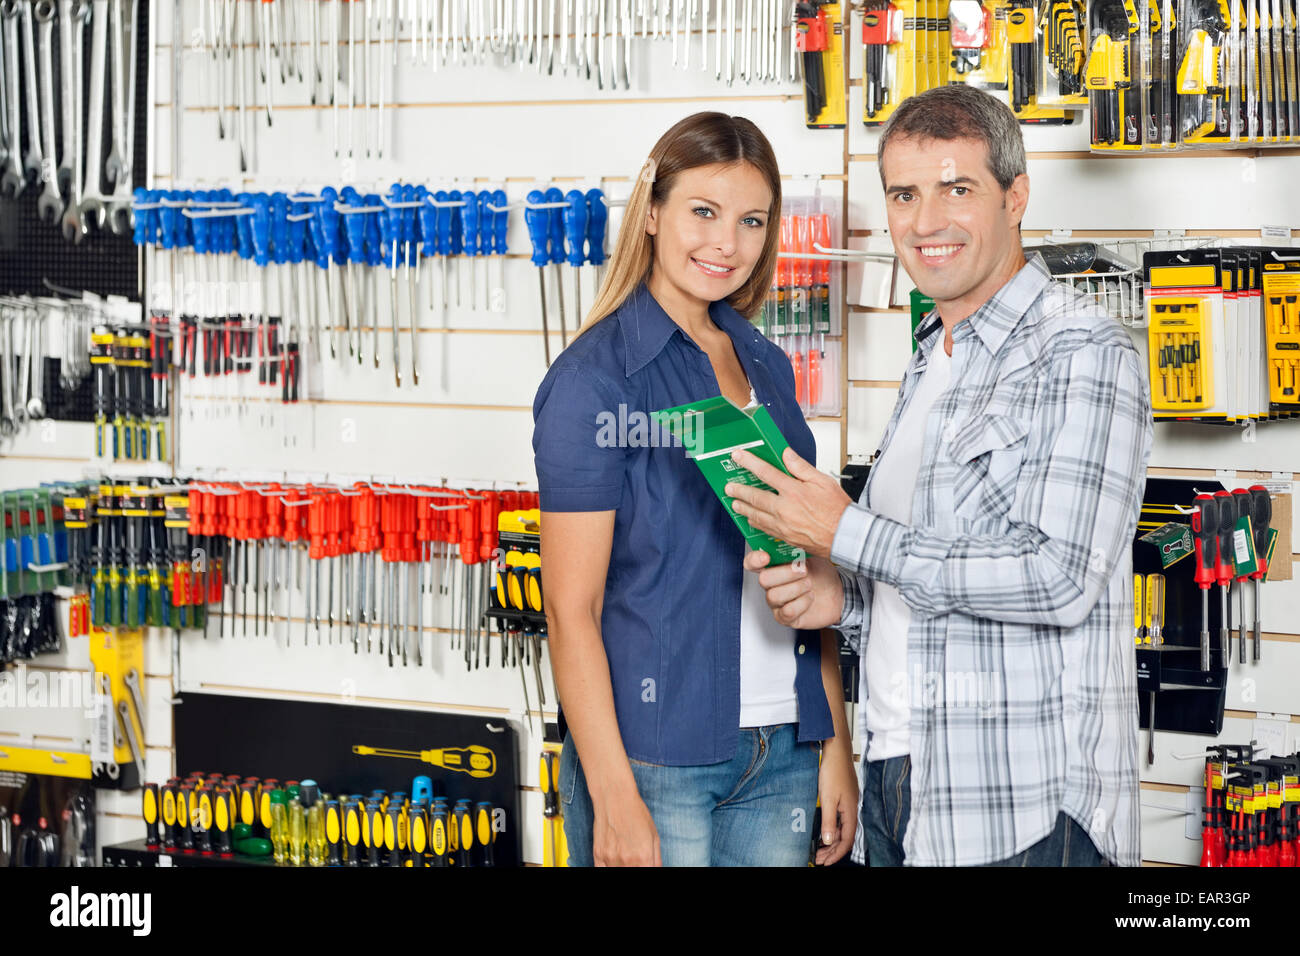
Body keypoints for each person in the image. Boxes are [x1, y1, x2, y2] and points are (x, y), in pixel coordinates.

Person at [724, 85, 1153, 866]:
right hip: (898, 782)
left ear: (1015, 197)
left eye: (957, 189)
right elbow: (930, 587)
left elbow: (1057, 577)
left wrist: (845, 530)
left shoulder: (1081, 352)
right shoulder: (931, 359)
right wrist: (842, 597)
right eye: (904, 194)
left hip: (1019, 809)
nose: (925, 223)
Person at [532, 111, 858, 867]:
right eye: (703, 213)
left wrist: (832, 742)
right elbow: (567, 608)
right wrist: (613, 796)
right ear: (652, 213)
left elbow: (807, 560)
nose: (727, 244)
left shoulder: (767, 366)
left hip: (782, 748)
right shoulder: (593, 382)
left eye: (751, 220)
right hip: (656, 759)